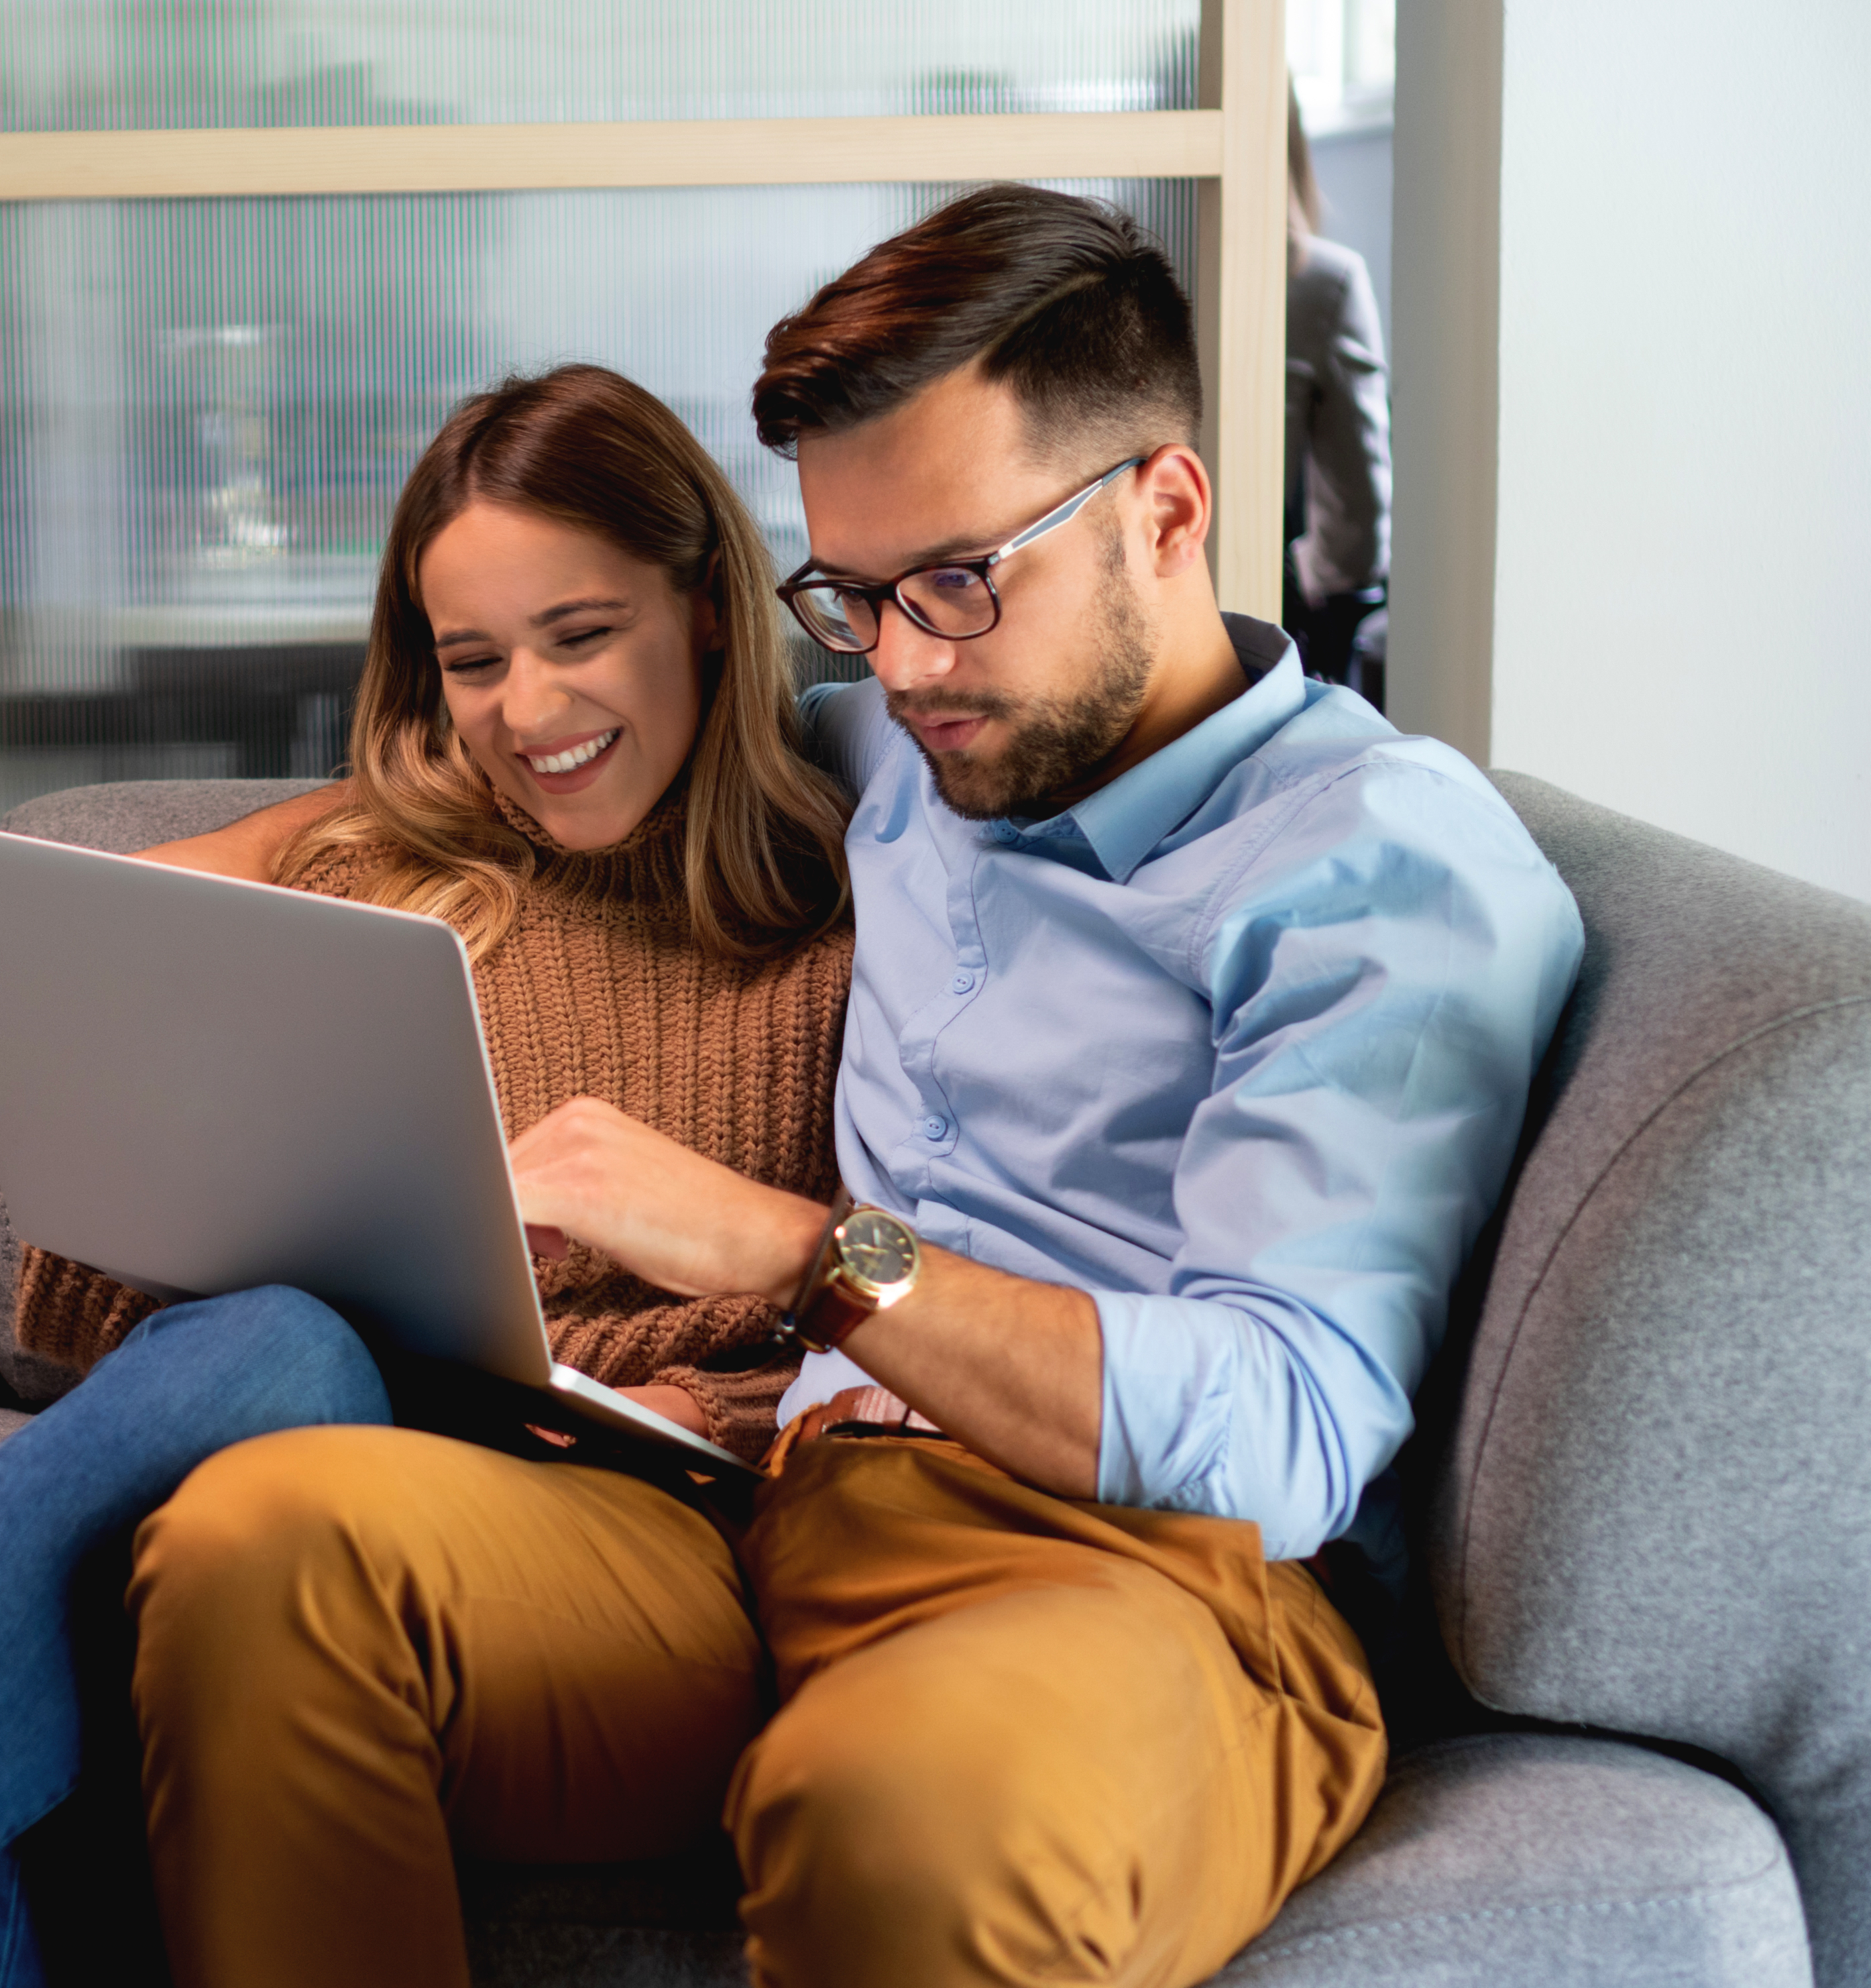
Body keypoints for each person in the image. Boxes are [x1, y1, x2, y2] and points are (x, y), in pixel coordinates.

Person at [114, 185, 1583, 1988]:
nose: (898, 665)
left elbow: (1279, 1434)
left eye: (956, 582)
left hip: (1144, 1585)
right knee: (263, 1542)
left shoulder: (1375, 873)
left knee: (886, 1806)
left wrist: (805, 1249)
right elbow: (585, 732)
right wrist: (364, 805)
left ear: (1168, 510)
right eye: (853, 598)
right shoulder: (912, 736)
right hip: (773, 1523)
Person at [0, 361, 858, 1988]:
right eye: (470, 661)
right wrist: (372, 828)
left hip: (602, 1516)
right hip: (304, 1430)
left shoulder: (843, 913)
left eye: (578, 637)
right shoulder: (389, 865)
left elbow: (887, 1287)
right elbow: (90, 965)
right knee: (273, 1347)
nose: (526, 714)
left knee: (103, 1582)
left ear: (704, 609)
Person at [1284, 91, 1392, 705]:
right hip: (1264, 611)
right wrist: (1315, 573)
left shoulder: (1115, 270)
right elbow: (1359, 522)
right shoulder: (1322, 282)